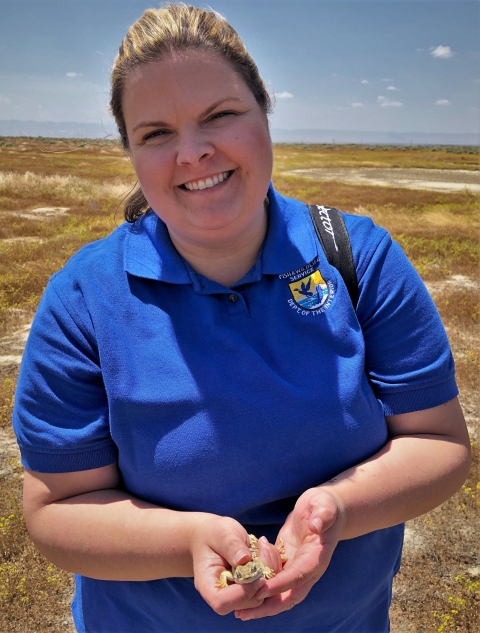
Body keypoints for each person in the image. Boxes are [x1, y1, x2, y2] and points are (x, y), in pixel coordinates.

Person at [13, 4, 471, 632]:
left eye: (220, 115)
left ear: (264, 113)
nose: (194, 152)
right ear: (131, 153)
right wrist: (186, 542)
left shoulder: (358, 257)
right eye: (156, 133)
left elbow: (439, 441)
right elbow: (54, 511)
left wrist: (335, 507)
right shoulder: (84, 299)